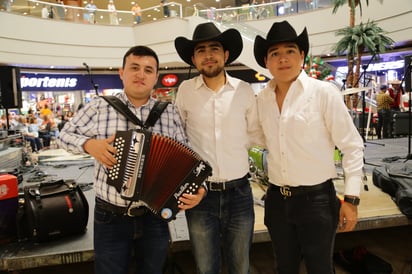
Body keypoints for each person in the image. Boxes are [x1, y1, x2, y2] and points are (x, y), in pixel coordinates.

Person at [57, 45, 206, 274]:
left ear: (156, 77)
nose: (141, 74)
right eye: (134, 68)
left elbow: (187, 156)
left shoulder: (168, 111)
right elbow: (64, 136)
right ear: (121, 72)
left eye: (148, 70)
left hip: (154, 217)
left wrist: (199, 188)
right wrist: (89, 145)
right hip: (110, 217)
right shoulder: (99, 106)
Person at [253, 21, 364, 274]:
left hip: (316, 201)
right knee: (284, 267)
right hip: (277, 201)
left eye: (290, 51)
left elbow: (352, 145)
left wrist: (352, 198)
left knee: (321, 268)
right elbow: (255, 137)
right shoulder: (262, 99)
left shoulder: (323, 93)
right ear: (266, 62)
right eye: (275, 54)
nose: (283, 59)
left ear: (301, 55)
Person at [174, 22, 263, 274]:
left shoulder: (244, 91)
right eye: (201, 50)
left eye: (215, 48)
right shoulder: (185, 91)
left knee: (240, 266)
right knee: (205, 267)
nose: (208, 55)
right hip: (201, 196)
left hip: (240, 194)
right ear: (194, 58)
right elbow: (179, 140)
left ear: (225, 55)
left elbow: (256, 134)